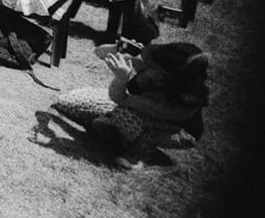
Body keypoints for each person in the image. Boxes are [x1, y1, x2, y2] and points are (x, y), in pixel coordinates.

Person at [50, 42, 209, 167]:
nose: (148, 67)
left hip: (177, 132)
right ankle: (122, 134)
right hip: (143, 112)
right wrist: (119, 47)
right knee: (73, 105)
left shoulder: (177, 105)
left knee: (123, 114)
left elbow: (120, 99)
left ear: (170, 78)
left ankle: (140, 153)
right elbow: (100, 52)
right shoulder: (156, 73)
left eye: (154, 68)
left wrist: (121, 79)